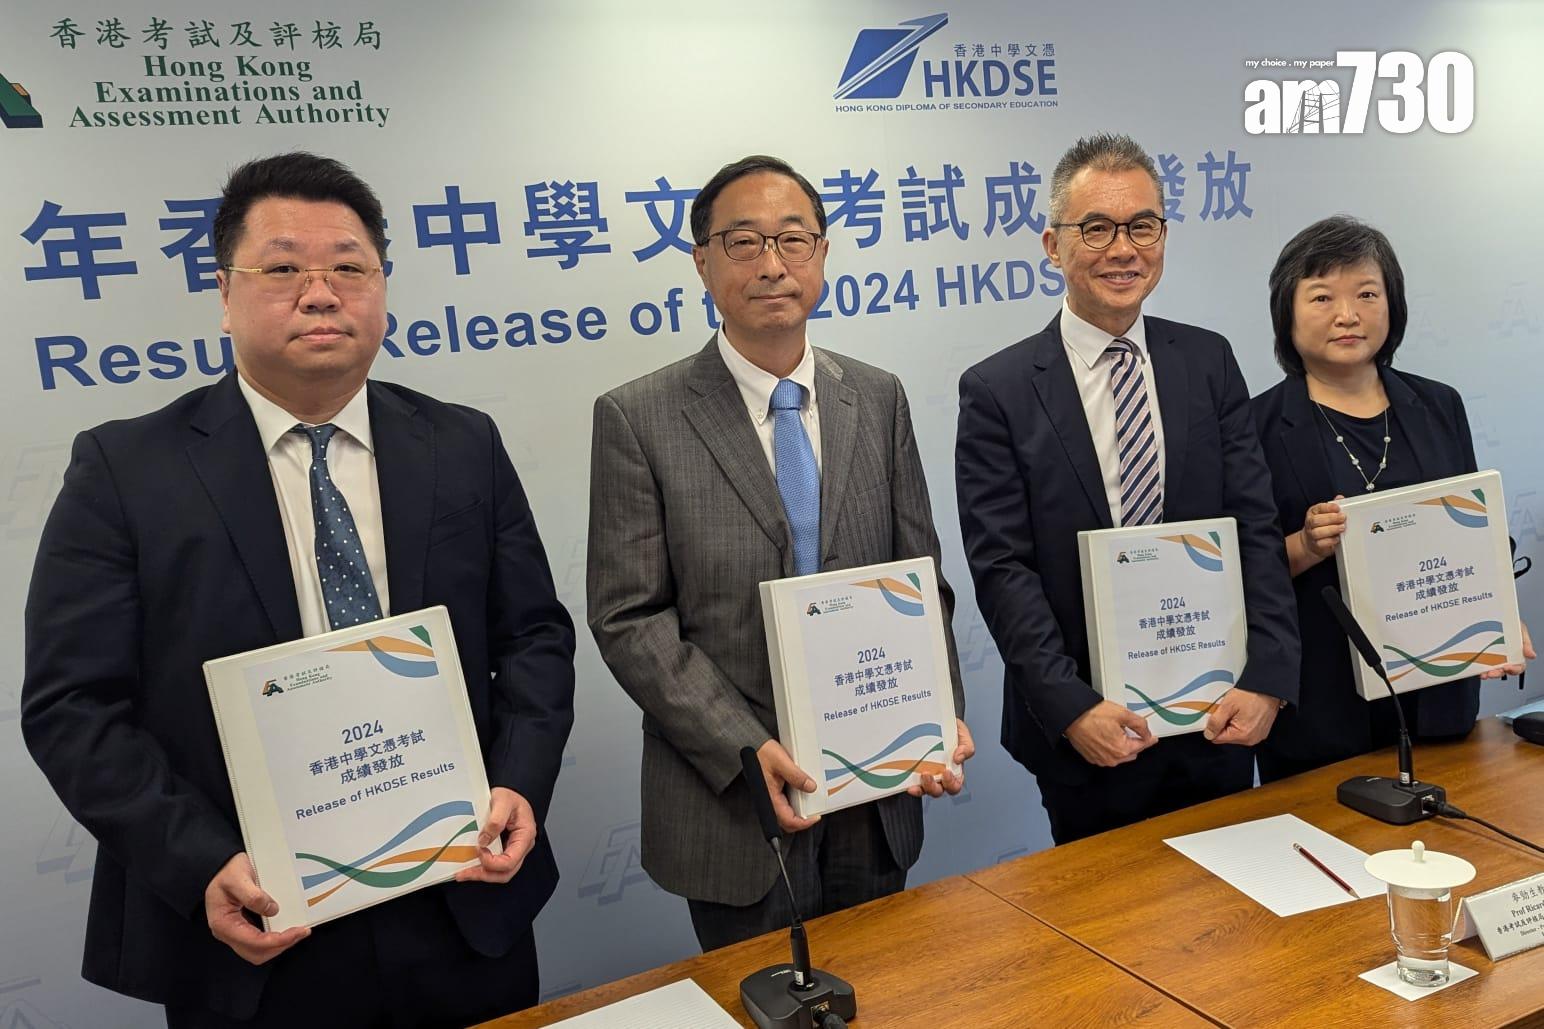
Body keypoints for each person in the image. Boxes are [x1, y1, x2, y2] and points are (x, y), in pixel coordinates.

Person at [20, 152, 576, 1028]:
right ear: (224, 292)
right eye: (282, 269)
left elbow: (534, 636)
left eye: (350, 267)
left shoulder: (462, 443)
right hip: (257, 919)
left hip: (462, 893)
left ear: (382, 286)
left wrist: (519, 784)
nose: (321, 294)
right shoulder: (124, 470)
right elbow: (73, 706)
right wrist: (201, 862)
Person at [587, 154, 973, 951]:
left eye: (793, 239)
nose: (772, 264)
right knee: (761, 999)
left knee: (887, 986)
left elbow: (919, 579)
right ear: (701, 260)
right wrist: (743, 745)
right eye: (743, 242)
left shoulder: (879, 396)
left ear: (822, 253)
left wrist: (936, 715)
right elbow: (630, 616)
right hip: (732, 802)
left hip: (877, 791)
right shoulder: (639, 417)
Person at [955, 133, 1300, 844]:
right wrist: (1071, 707)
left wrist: (1268, 677)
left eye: (1143, 226)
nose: (1123, 249)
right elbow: (1003, 568)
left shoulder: (1208, 359)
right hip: (1088, 734)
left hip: (1217, 714)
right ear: (1053, 246)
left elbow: (1255, 529)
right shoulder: (999, 390)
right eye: (1097, 229)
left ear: (1163, 238)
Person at [1251, 215, 1532, 782]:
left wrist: (1498, 616)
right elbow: (1240, 570)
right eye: (1322, 296)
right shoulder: (1254, 425)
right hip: (1321, 703)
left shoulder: (1439, 405)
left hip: (1439, 694)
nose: (1348, 314)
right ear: (1287, 313)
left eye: (1367, 294)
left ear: (1392, 304)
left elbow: (1473, 528)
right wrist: (1305, 545)